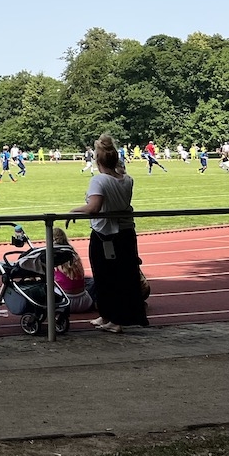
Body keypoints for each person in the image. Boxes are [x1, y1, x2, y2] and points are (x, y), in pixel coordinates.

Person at [68, 133, 149, 333]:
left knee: (107, 276)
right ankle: (107, 315)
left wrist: (73, 211)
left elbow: (94, 207)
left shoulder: (99, 180)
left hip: (106, 234)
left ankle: (115, 319)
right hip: (126, 232)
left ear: (98, 160)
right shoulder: (127, 179)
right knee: (122, 275)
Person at [52, 228, 95, 313]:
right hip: (85, 301)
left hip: (65, 303)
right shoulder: (74, 254)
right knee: (89, 281)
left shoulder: (52, 256)